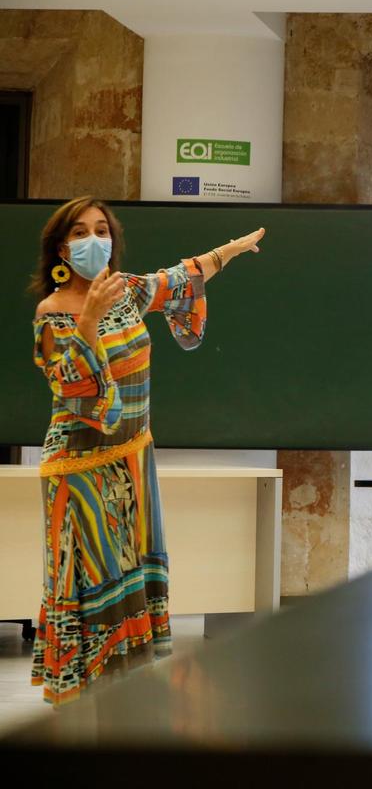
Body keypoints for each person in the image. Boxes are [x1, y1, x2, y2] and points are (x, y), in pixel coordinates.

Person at [27, 196, 266, 706]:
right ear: (61, 250)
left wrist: (232, 249)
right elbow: (71, 387)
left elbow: (183, 276)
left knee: (131, 580)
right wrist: (88, 318)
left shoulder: (127, 292)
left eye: (102, 230)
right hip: (81, 469)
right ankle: (81, 709)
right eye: (80, 233)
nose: (95, 241)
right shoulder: (52, 312)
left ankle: (123, 707)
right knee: (93, 585)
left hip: (134, 459)